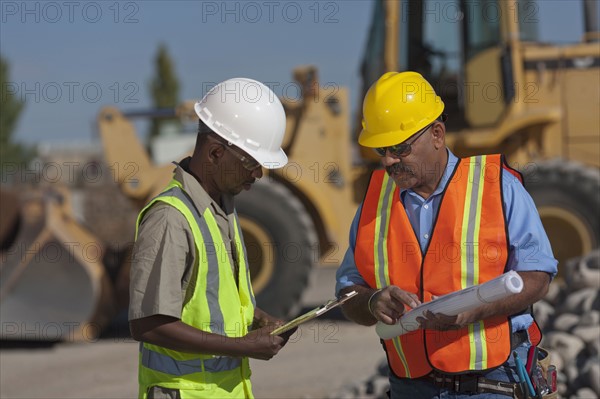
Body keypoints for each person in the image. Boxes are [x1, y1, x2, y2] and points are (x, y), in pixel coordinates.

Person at [336, 71, 557, 398]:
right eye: (381, 150)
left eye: (399, 147)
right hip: (410, 387)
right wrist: (371, 301)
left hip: (491, 383)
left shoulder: (498, 186)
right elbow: (346, 292)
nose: (389, 160)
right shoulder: (374, 200)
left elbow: (537, 276)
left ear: (437, 134)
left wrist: (475, 312)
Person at [129, 78, 292, 399]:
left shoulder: (221, 209)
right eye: (252, 162)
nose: (258, 174)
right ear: (216, 152)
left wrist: (258, 319)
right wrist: (241, 347)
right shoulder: (171, 218)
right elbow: (148, 325)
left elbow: (211, 301)